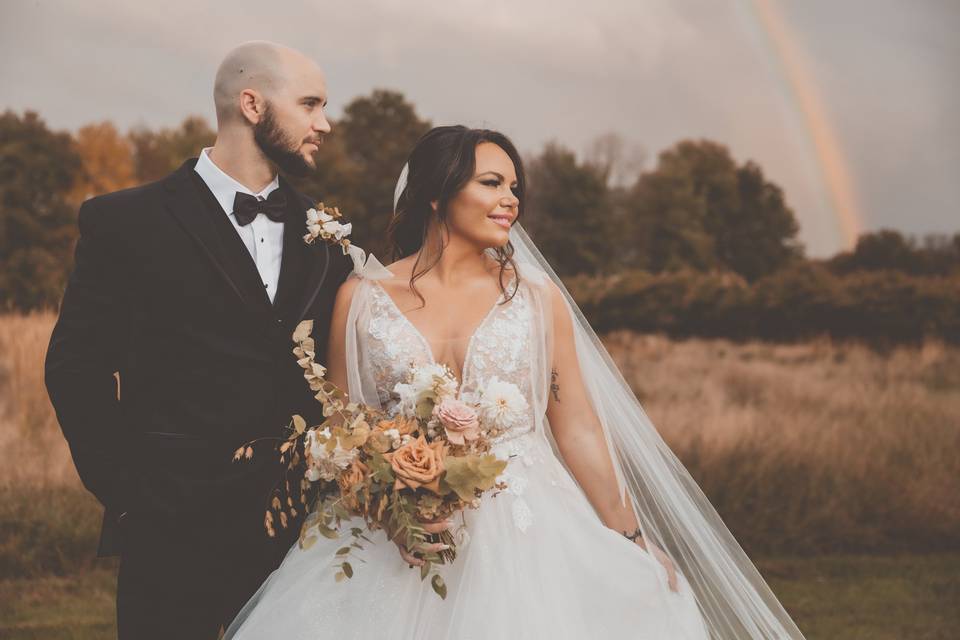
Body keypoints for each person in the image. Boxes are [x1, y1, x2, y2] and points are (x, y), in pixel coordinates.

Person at [224, 126, 806, 639]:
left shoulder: (534, 298)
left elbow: (576, 424)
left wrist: (629, 538)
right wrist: (391, 507)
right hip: (390, 532)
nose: (510, 201)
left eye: (514, 188)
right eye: (492, 184)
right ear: (436, 193)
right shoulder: (362, 297)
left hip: (524, 525)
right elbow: (344, 428)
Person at [44, 41, 351, 638]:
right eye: (310, 103)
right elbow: (75, 368)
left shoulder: (331, 237)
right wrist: (129, 496)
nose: (325, 123)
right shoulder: (125, 222)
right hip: (169, 536)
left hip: (304, 540)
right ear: (252, 104)